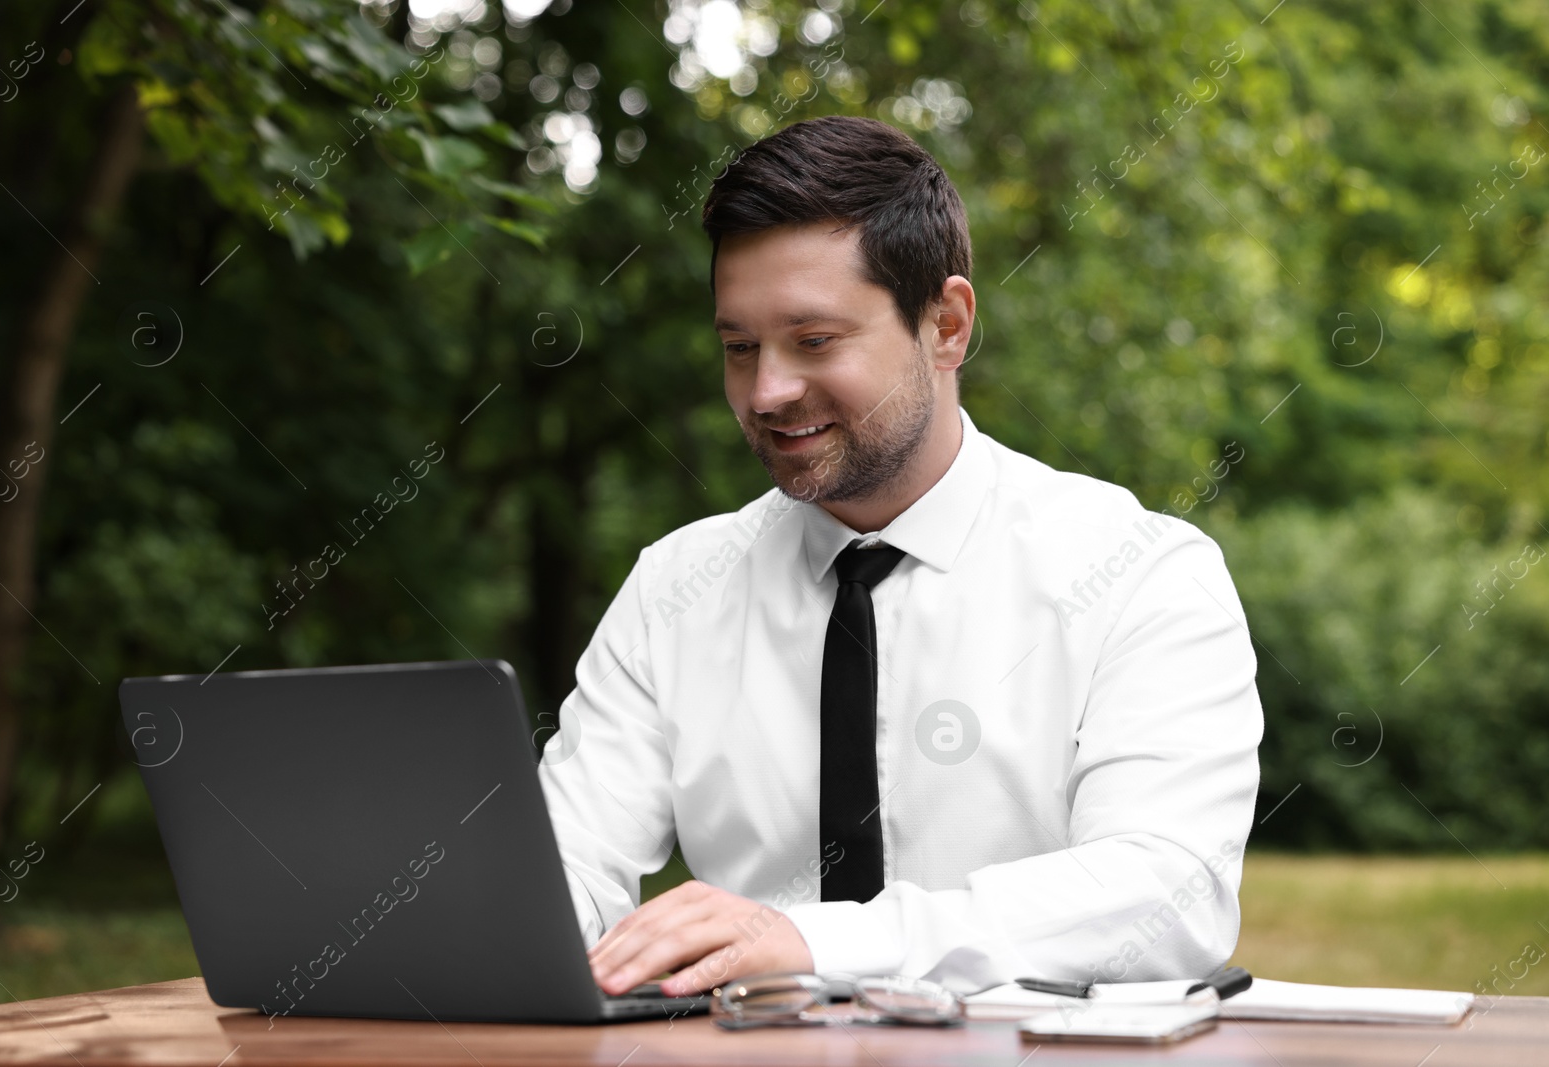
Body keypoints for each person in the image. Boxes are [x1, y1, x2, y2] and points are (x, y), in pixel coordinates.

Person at [538, 115, 1263, 998]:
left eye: (814, 341)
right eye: (739, 348)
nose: (766, 391)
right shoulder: (673, 590)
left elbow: (1166, 893)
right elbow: (560, 870)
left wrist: (813, 940)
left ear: (947, 325)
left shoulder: (1141, 571)